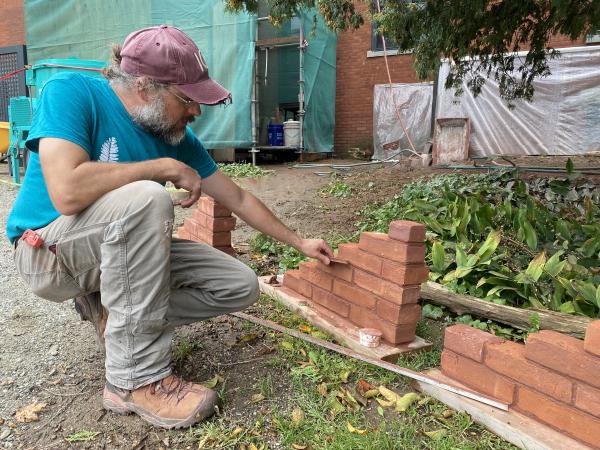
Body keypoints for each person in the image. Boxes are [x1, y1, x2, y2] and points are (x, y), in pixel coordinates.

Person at [6, 25, 333, 429]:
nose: (197, 111)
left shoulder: (174, 136)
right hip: (47, 253)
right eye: (188, 99)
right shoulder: (72, 92)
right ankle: (133, 381)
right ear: (145, 87)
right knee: (147, 196)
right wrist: (160, 169)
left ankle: (116, 316)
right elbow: (67, 192)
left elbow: (240, 199)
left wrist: (299, 241)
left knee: (238, 284)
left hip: (111, 252)